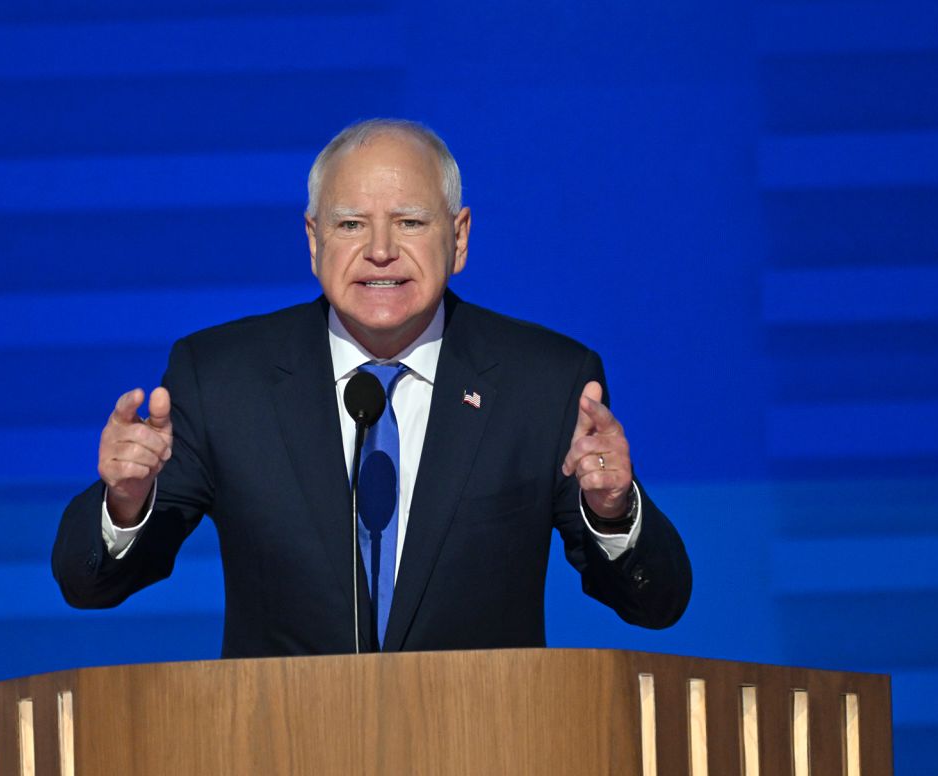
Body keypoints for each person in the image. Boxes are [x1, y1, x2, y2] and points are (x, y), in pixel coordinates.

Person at [52, 119, 691, 657]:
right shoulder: (222, 378)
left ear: (460, 237)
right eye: (351, 224)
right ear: (313, 240)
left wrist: (613, 512)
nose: (380, 250)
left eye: (410, 222)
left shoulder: (544, 381)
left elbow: (656, 602)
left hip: (484, 746)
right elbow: (93, 585)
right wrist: (128, 504)